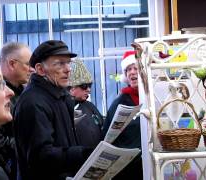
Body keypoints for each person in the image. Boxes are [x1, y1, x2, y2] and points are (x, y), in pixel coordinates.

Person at [13, 40, 94, 180]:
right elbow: (40, 157)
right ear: (40, 69)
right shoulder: (33, 102)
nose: (68, 69)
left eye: (68, 62)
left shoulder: (60, 96)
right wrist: (82, 153)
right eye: (60, 63)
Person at [102, 50, 142, 179]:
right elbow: (106, 136)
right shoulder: (120, 102)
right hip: (128, 168)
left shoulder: (151, 98)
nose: (131, 72)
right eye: (128, 69)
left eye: (135, 68)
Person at [0, 42, 34, 179]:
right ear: (12, 64)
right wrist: (31, 144)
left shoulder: (23, 91)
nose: (32, 69)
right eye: (28, 64)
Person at [68, 59, 104, 147]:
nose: (88, 90)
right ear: (72, 88)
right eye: (84, 86)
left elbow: (102, 125)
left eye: (89, 86)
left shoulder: (90, 106)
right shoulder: (63, 109)